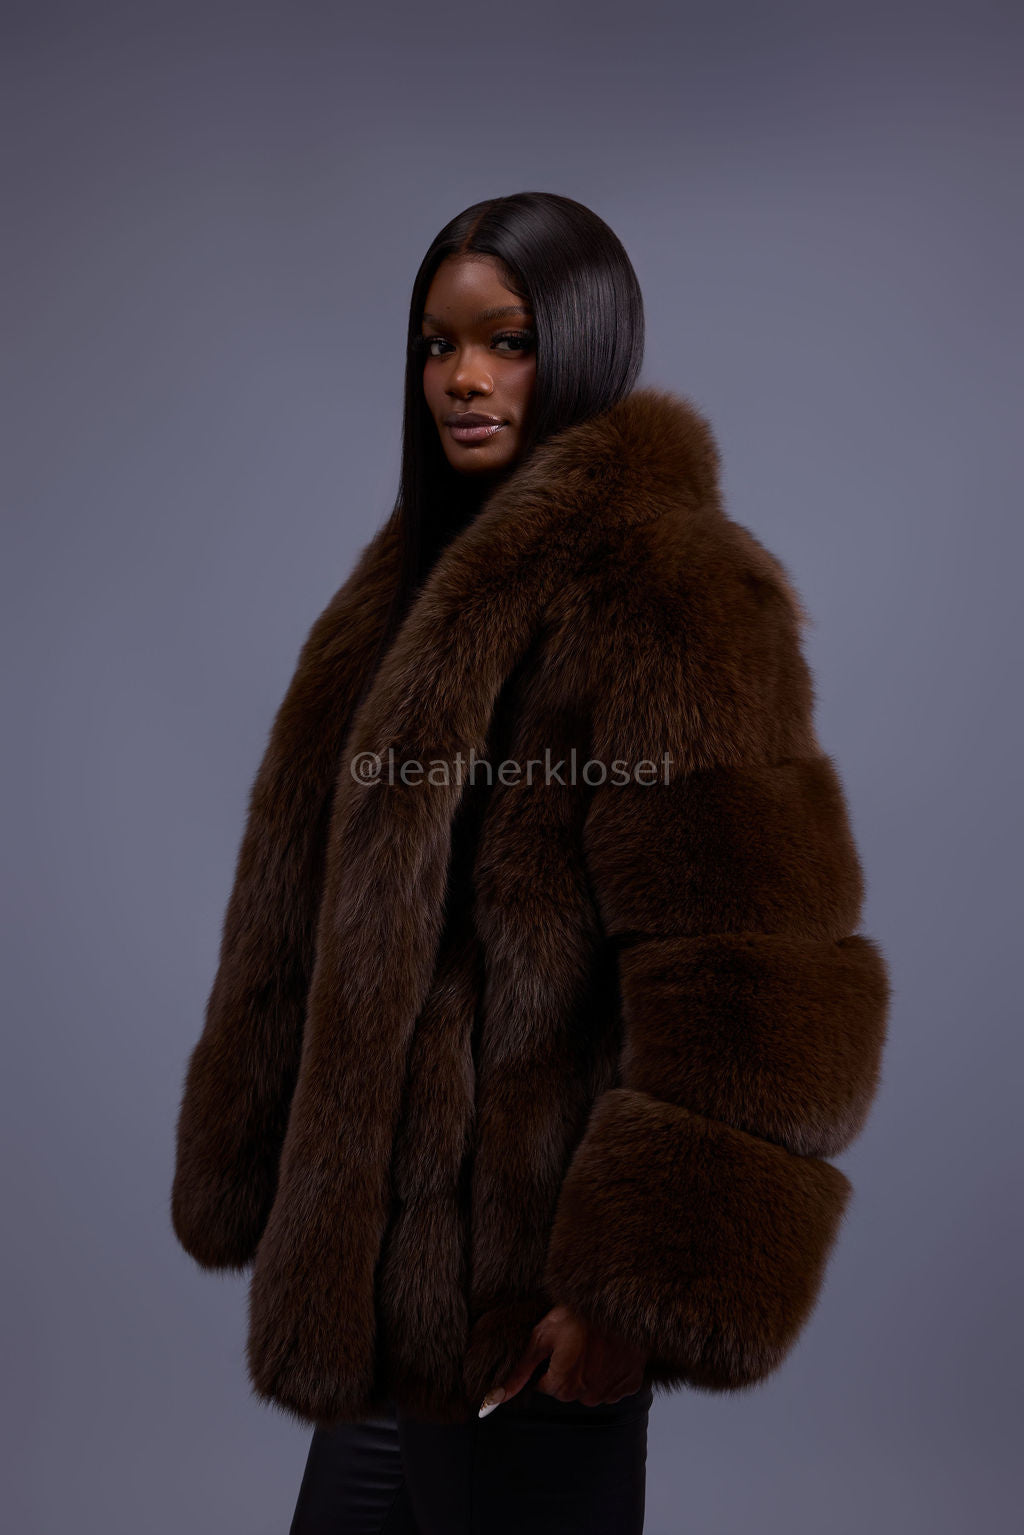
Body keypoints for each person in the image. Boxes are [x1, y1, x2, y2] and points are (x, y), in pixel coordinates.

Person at [170, 192, 890, 1534]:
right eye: (438, 345)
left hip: (535, 1309)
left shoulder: (671, 588)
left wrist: (631, 1293)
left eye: (508, 342)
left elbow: (753, 976)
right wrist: (270, 1162)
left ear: (587, 345)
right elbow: (310, 912)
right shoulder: (403, 596)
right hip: (389, 1311)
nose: (465, 379)